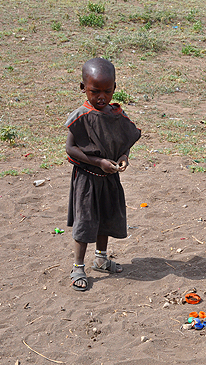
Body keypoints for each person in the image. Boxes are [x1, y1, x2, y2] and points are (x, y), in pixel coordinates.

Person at [65, 58, 141, 291]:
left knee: (106, 220)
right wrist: (98, 161)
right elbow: (70, 149)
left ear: (115, 88)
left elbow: (123, 141)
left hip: (109, 178)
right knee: (85, 223)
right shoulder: (81, 116)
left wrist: (123, 157)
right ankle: (78, 267)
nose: (101, 97)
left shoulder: (115, 114)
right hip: (87, 180)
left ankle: (100, 259)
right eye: (95, 91)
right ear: (82, 88)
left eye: (107, 91)